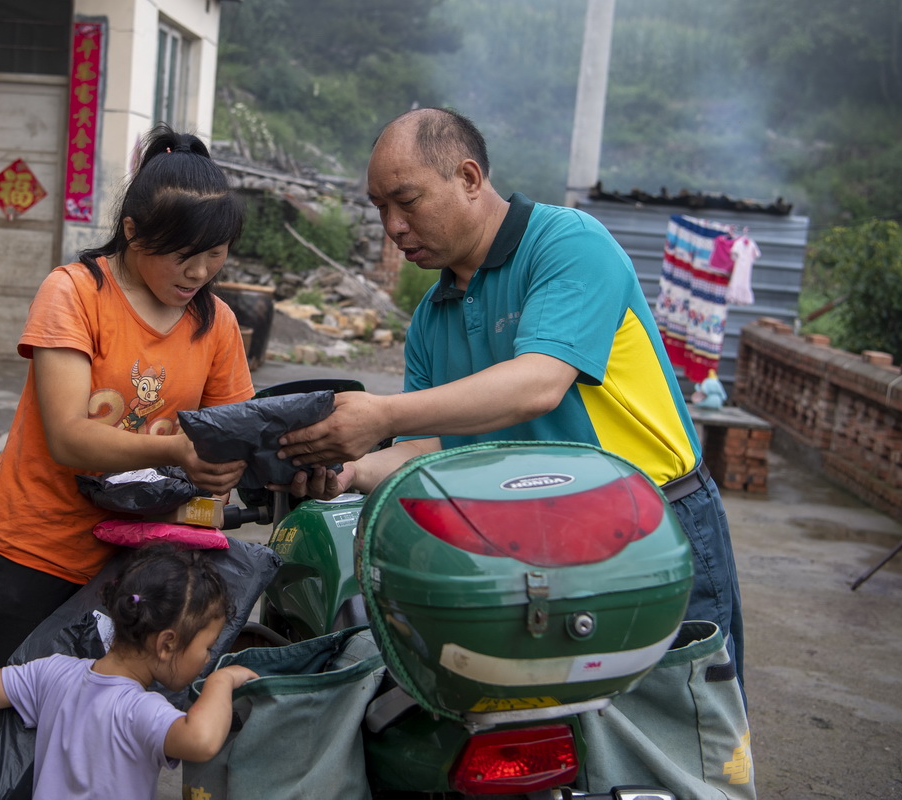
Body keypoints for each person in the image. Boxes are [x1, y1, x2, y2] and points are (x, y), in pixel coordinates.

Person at [277, 107, 744, 686]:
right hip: (529, 543)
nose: (392, 227)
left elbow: (538, 384)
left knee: (684, 730)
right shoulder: (431, 316)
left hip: (652, 526)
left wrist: (381, 413)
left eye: (407, 201)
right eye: (380, 209)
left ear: (469, 179)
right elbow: (431, 449)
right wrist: (351, 468)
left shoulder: (566, 243)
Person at [0, 124, 254, 734]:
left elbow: (237, 432)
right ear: (133, 231)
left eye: (217, 252)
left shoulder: (216, 323)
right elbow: (70, 437)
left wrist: (229, 469)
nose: (200, 271)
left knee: (109, 741)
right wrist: (181, 448)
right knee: (13, 745)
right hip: (33, 552)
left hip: (139, 572)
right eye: (184, 253)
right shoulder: (74, 293)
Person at [0, 545, 258, 800]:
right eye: (206, 648)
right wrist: (222, 679)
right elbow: (202, 742)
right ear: (167, 644)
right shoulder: (140, 710)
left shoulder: (54, 671)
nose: (207, 659)